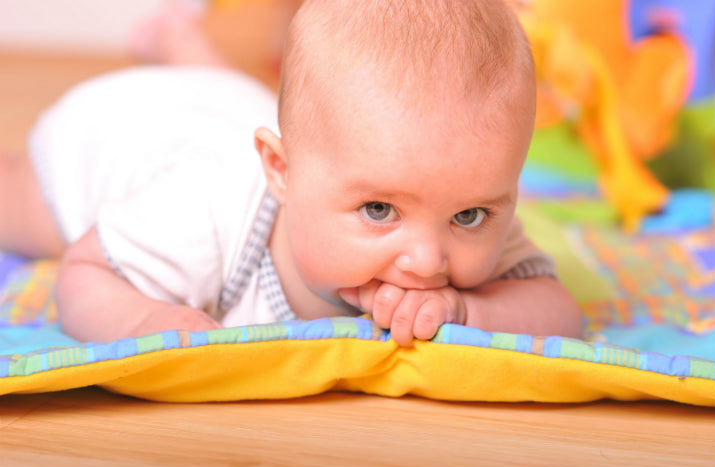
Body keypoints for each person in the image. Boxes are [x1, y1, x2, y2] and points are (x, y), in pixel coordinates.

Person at [0, 0, 583, 346]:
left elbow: (558, 310)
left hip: (235, 109)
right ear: (280, 171)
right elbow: (84, 269)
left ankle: (185, 47)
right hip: (118, 130)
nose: (429, 262)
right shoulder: (203, 215)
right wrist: (151, 320)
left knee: (270, 105)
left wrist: (468, 311)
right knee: (23, 213)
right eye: (379, 211)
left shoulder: (444, 185)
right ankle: (180, 51)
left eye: (470, 216)